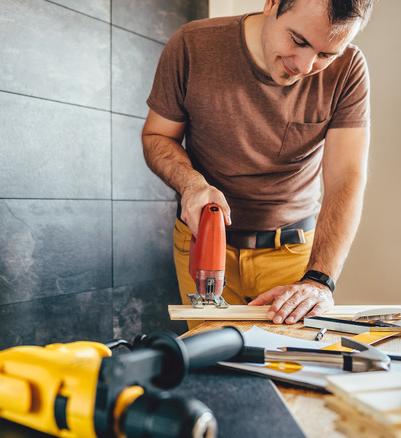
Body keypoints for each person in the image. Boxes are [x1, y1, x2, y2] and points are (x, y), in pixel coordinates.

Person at [142, 0, 374, 325]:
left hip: (293, 253)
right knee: (215, 366)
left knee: (289, 368)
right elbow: (157, 136)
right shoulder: (191, 45)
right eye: (298, 40)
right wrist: (191, 184)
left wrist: (320, 280)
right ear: (272, 3)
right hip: (206, 242)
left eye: (326, 55)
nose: (305, 66)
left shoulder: (349, 68)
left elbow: (345, 177)